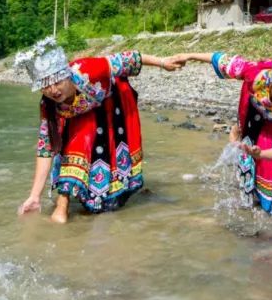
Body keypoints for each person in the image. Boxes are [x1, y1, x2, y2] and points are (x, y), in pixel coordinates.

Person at [15, 37, 183, 224]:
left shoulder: (90, 70)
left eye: (57, 81)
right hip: (80, 113)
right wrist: (34, 196)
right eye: (45, 85)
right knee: (72, 143)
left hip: (112, 100)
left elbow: (131, 57)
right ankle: (63, 206)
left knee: (92, 148)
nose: (53, 90)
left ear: (66, 74)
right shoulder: (48, 104)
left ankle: (66, 206)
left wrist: (162, 62)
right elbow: (45, 147)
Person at [174, 41, 272, 218]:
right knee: (246, 146)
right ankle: (250, 188)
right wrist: (189, 56)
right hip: (255, 116)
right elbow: (220, 59)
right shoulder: (255, 74)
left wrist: (261, 154)